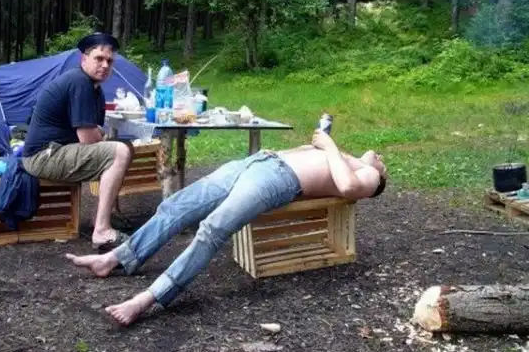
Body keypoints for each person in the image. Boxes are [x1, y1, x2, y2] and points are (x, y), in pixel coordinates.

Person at [65, 129, 388, 326]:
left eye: (383, 163)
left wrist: (330, 146)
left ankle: (146, 299)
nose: (381, 158)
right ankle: (116, 258)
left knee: (212, 229)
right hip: (256, 162)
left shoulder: (369, 176)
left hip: (278, 179)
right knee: (176, 206)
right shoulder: (348, 158)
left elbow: (347, 187)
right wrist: (330, 147)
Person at [22, 33, 133, 250]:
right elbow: (88, 138)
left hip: (58, 150)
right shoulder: (79, 82)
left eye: (109, 61)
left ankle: (104, 216)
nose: (105, 65)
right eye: (99, 58)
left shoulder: (95, 89)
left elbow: (94, 134)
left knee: (125, 149)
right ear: (84, 59)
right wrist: (100, 134)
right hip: (42, 156)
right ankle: (101, 231)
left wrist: (99, 134)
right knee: (119, 151)